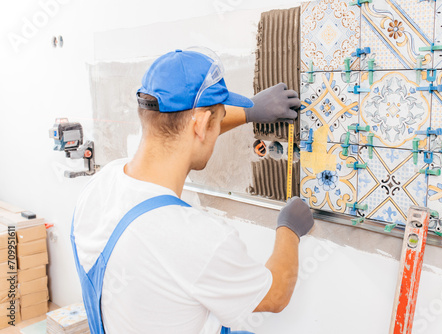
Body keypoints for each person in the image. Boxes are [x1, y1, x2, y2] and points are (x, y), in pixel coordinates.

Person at [71, 47, 314, 334]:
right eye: (219, 117)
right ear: (202, 124)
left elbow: (179, 136)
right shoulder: (197, 238)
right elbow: (274, 295)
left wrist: (249, 113)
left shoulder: (100, 185)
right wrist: (289, 229)